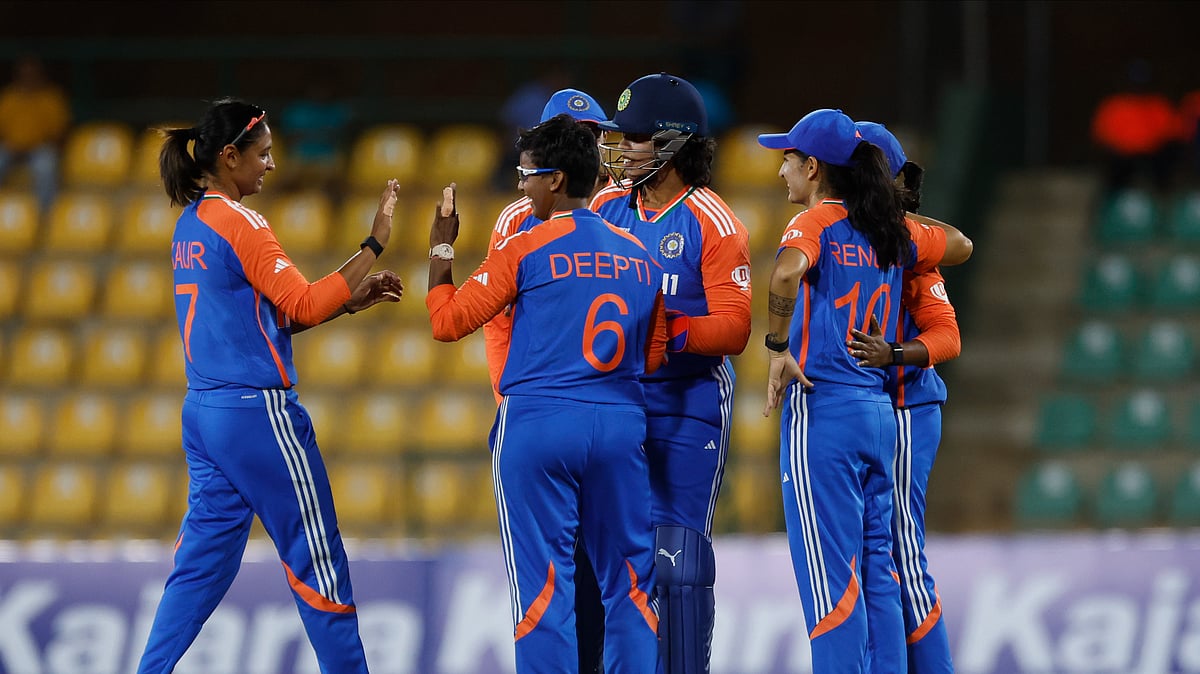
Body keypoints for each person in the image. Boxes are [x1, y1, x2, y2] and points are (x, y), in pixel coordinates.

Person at [138, 97, 404, 674]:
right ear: (229, 156)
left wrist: (348, 305)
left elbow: (270, 318)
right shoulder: (241, 221)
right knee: (317, 557)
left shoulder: (192, 223)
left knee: (202, 565)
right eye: (262, 154)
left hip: (205, 415)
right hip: (257, 415)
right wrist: (374, 242)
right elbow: (303, 300)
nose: (272, 165)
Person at [425, 113, 668, 673]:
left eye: (527, 173)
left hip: (539, 426)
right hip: (619, 426)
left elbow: (448, 322)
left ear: (556, 180)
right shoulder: (641, 256)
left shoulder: (526, 246)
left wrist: (441, 251)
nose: (521, 184)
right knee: (630, 586)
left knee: (543, 587)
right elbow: (652, 355)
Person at [757, 108, 972, 673]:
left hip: (833, 405)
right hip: (880, 412)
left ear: (814, 166)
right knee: (883, 564)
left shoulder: (822, 223)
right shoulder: (891, 234)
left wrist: (776, 349)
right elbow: (959, 243)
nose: (781, 168)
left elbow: (784, 274)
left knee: (832, 578)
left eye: (787, 158)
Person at [591, 71, 752, 674]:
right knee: (616, 557)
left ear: (674, 143)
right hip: (619, 401)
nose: (622, 149)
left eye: (635, 138)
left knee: (677, 553)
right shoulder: (607, 207)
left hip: (689, 404)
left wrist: (666, 332)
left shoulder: (712, 220)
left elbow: (734, 329)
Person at [482, 86, 612, 673]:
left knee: (602, 565)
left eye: (592, 135)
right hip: (546, 408)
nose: (586, 144)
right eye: (574, 134)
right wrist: (507, 393)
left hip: (600, 409)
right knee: (553, 563)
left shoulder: (621, 206)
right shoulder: (518, 217)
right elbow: (496, 317)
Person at [850, 120, 960, 674]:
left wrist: (894, 354)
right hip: (867, 414)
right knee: (874, 559)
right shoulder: (839, 235)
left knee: (901, 555)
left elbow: (947, 336)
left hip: (907, 408)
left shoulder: (906, 244)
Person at [0, 54, 70, 214]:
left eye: (32, 74)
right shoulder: (9, 98)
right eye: (24, 74)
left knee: (46, 166)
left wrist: (36, 145)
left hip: (40, 148)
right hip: (11, 148)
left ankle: (44, 215)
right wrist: (12, 145)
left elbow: (59, 132)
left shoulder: (51, 98)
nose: (28, 78)